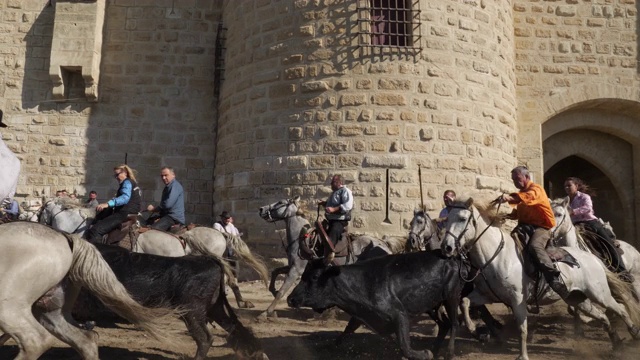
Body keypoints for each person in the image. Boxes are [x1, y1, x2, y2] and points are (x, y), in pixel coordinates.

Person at [492, 166, 567, 297]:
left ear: (527, 177)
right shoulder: (523, 196)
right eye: (513, 179)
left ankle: (553, 278)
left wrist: (508, 198)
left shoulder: (536, 190)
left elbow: (528, 197)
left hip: (541, 228)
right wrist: (504, 215)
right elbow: (518, 213)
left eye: (517, 178)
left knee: (534, 246)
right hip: (525, 227)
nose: (515, 181)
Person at [564, 177, 631, 279]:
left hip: (590, 223)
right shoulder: (566, 201)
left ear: (576, 186)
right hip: (575, 225)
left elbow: (587, 208)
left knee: (608, 243)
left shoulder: (584, 197)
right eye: (565, 186)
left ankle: (623, 272)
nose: (567, 188)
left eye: (569, 185)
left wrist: (573, 212)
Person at [84, 165, 141, 244]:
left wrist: (108, 204)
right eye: (115, 175)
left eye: (117, 174)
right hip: (129, 212)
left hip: (124, 213)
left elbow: (125, 198)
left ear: (125, 173)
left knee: (95, 230)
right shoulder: (132, 183)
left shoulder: (127, 182)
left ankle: (97, 254)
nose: (116, 177)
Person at [318, 174, 353, 264]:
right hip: (331, 220)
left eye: (333, 182)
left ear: (339, 182)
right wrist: (325, 203)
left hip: (340, 221)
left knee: (331, 237)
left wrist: (333, 209)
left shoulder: (345, 191)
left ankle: (329, 256)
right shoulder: (334, 192)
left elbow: (347, 206)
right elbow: (332, 205)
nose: (331, 184)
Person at [146, 166, 185, 231]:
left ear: (173, 175)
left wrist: (154, 209)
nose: (163, 178)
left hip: (174, 218)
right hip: (168, 216)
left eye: (166, 175)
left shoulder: (174, 186)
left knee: (152, 230)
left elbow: (168, 204)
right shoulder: (168, 187)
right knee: (147, 222)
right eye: (162, 176)